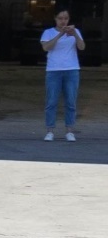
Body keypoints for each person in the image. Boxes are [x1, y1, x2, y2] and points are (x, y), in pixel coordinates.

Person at [41, 8, 84, 142]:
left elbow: (82, 47)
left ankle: (70, 131)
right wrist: (60, 34)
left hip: (72, 70)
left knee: (71, 102)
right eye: (60, 18)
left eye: (65, 18)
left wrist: (74, 35)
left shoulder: (75, 32)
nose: (63, 21)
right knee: (51, 101)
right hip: (53, 70)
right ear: (55, 19)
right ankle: (50, 131)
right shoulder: (48, 32)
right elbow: (46, 47)